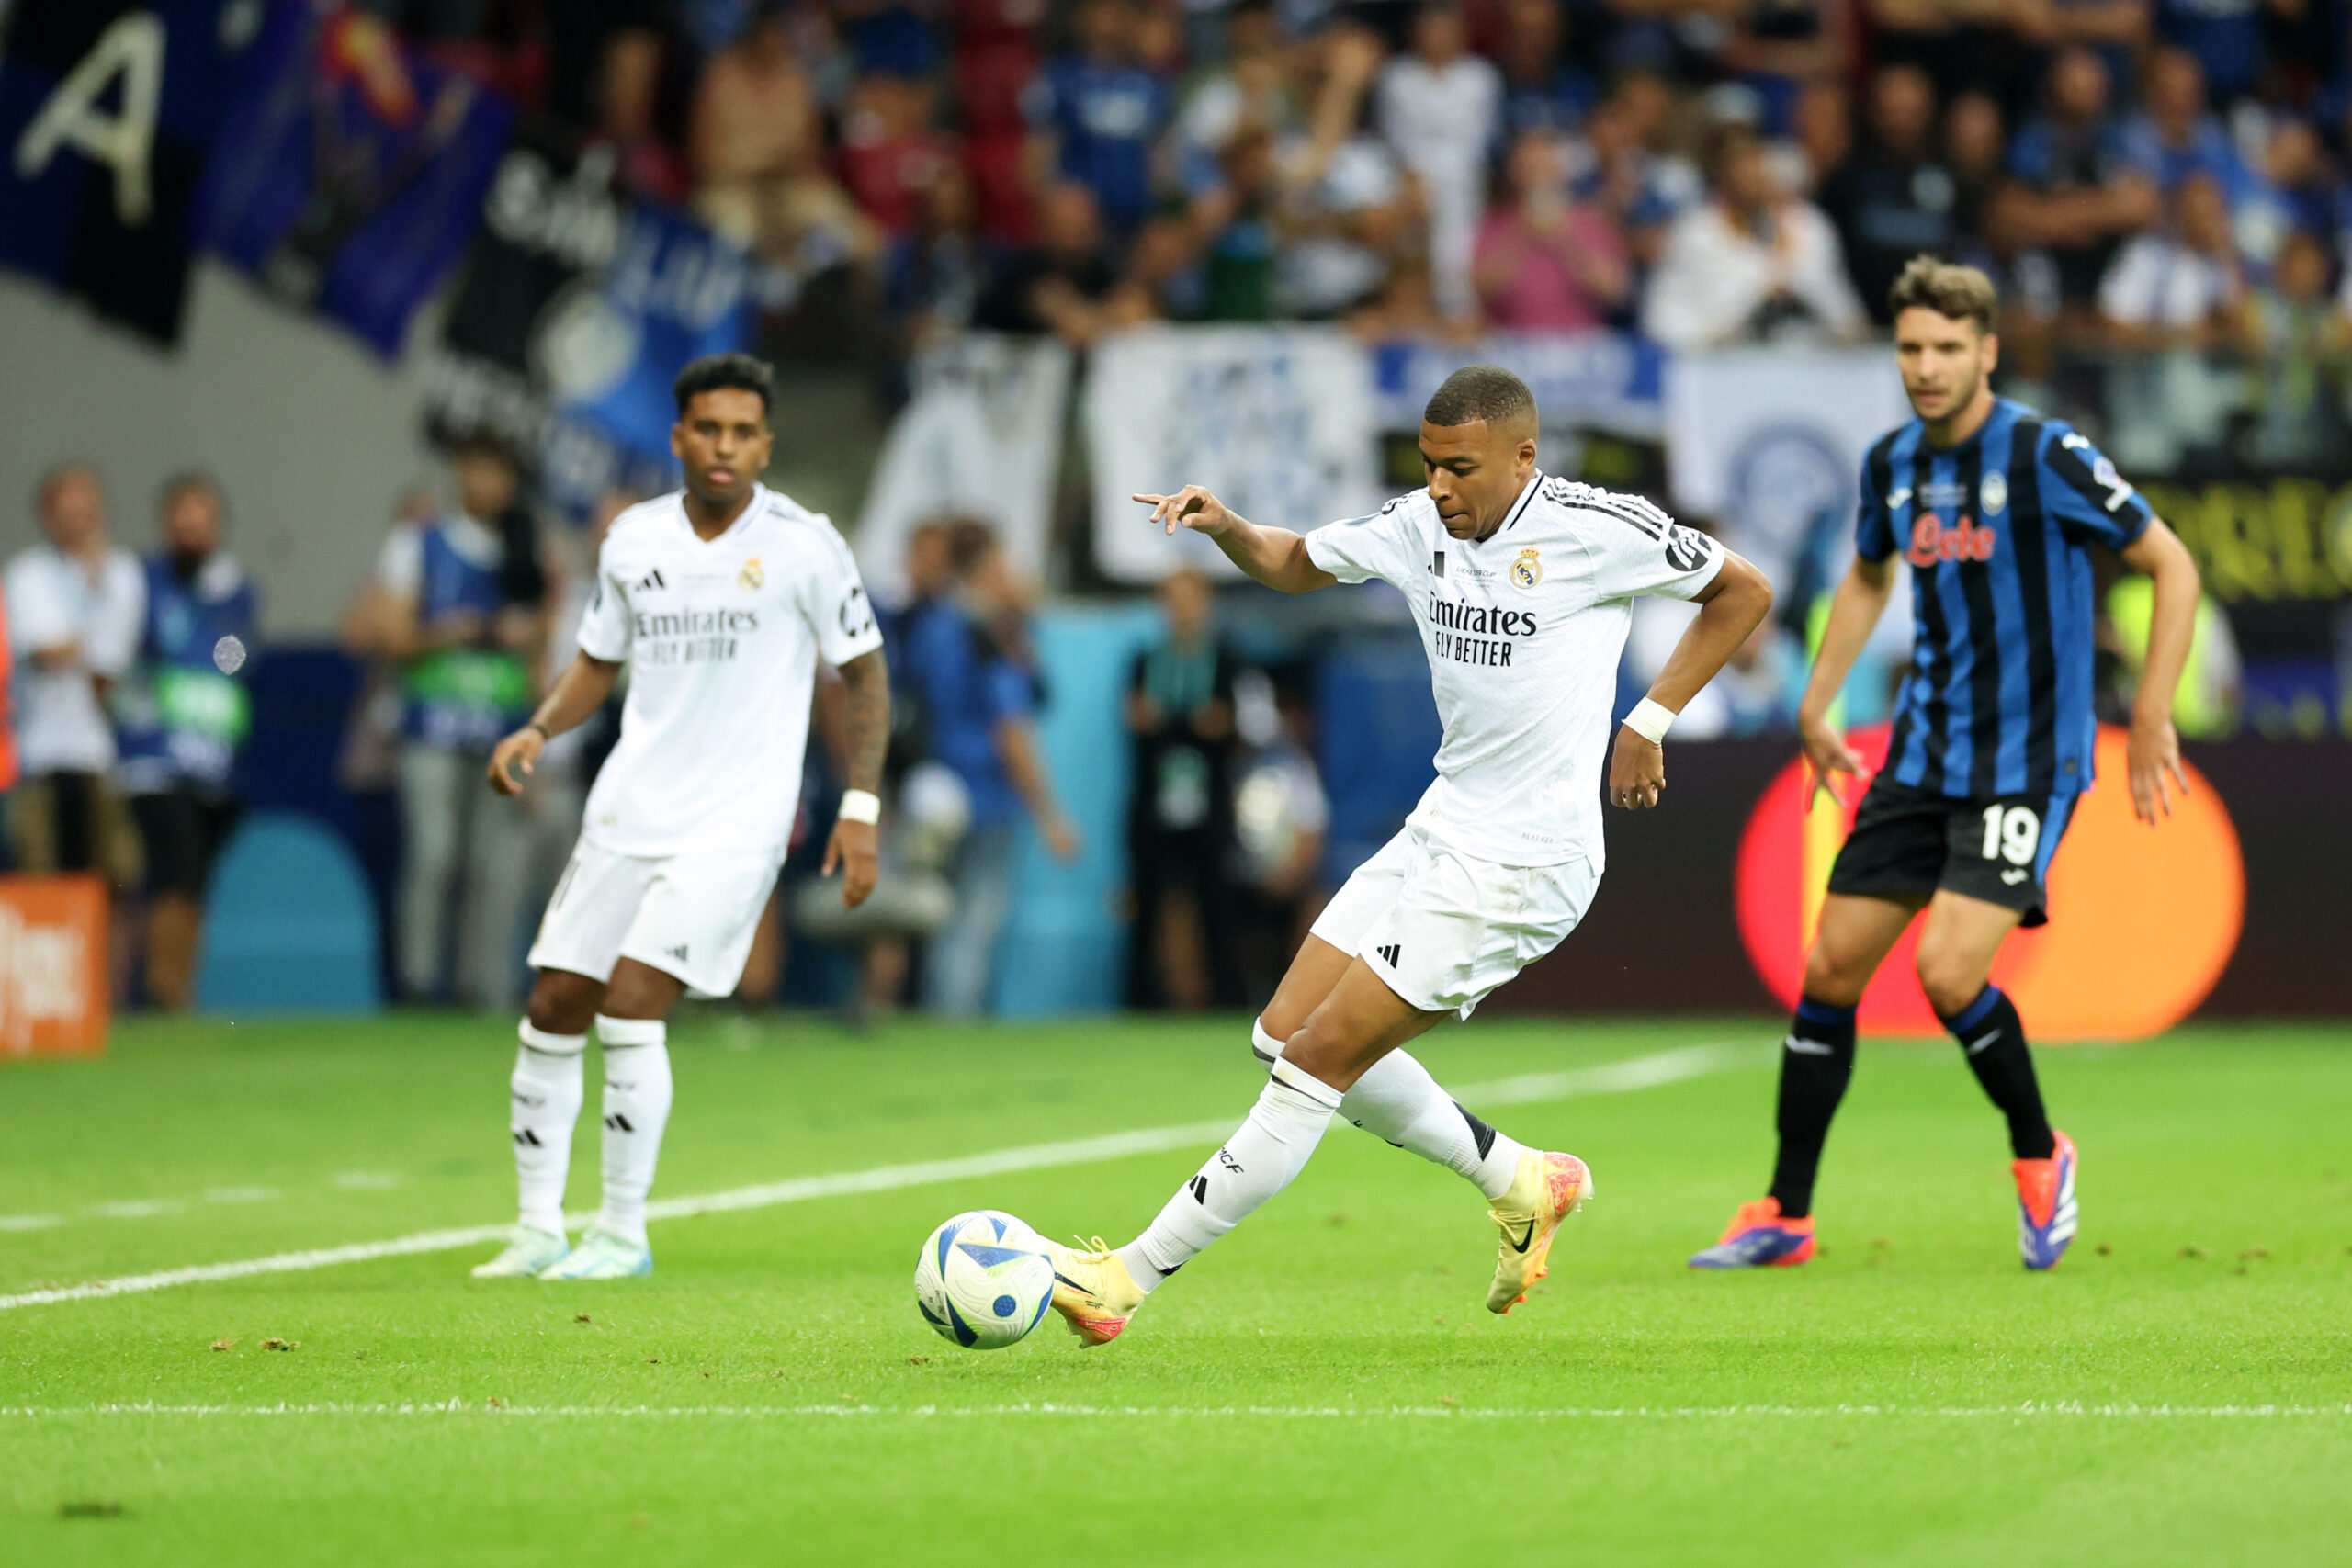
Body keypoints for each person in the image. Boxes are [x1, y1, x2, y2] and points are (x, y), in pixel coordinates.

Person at [1042, 366, 1774, 1345]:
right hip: (1441, 828)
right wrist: (1227, 527)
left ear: (1523, 456)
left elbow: (1742, 589)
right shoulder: (1418, 523)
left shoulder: (1594, 528)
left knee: (1315, 1062)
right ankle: (1520, 1178)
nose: (1438, 486)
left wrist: (1647, 720)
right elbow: (1296, 560)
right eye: (1428, 464)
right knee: (1282, 1033)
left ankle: (1124, 1279)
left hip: (1525, 861)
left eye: (1459, 467)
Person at [1690, 257, 2203, 1274]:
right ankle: (1785, 1211)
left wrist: (2150, 712)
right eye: (1911, 349)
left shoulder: (2047, 453)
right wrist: (1817, 699)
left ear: (1987, 353)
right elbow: (1867, 575)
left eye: (1947, 349)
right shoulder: (1892, 464)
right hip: (1922, 756)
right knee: (1830, 969)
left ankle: (2039, 1154)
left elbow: (2171, 563)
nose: (1926, 367)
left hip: (2025, 764)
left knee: (1947, 971)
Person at [469, 353, 889, 1281]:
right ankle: (538, 1228)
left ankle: (622, 1232)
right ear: (678, 438)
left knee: (630, 1002)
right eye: (708, 429)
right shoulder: (633, 539)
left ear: (766, 445)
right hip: (629, 809)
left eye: (743, 432)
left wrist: (859, 806)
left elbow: (864, 674)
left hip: (736, 820)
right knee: (553, 1006)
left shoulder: (806, 544)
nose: (724, 447)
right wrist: (538, 727)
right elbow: (597, 659)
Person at [369, 434, 545, 1009]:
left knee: (492, 864)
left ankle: (478, 984)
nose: (492, 485)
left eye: (503, 474)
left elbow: (541, 651)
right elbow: (391, 635)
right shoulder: (419, 542)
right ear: (461, 472)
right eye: (481, 470)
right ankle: (419, 982)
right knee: (435, 852)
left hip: (500, 729)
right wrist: (453, 631)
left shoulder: (527, 549)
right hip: (433, 728)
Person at [903, 524, 1080, 1017]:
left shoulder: (932, 626)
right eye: (1003, 566)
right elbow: (1011, 732)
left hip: (932, 793)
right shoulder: (986, 635)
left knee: (936, 918)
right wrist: (1050, 815)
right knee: (973, 924)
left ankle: (935, 1014)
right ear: (982, 572)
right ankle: (955, 1024)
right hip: (984, 797)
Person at [116, 473, 259, 1011]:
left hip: (214, 766)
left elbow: (236, 661)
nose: (191, 533)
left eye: (202, 522)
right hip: (152, 761)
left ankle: (179, 991)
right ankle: (162, 989)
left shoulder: (235, 592)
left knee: (195, 879)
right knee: (171, 873)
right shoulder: (138, 582)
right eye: (182, 522)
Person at [5, 465, 145, 889]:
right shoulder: (26, 574)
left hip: (104, 757)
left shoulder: (124, 573)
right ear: (47, 516)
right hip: (38, 755)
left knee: (115, 878)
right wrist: (94, 627)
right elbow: (47, 652)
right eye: (68, 512)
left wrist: (82, 643)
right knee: (42, 879)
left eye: (88, 510)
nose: (80, 522)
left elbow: (112, 664)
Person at [1125, 568, 1242, 1010]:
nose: (1183, 610)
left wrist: (1174, 722)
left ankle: (1225, 1002)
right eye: (1174, 600)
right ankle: (1139, 1003)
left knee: (1217, 903)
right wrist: (1194, 723)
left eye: (1191, 599)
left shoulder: (1224, 659)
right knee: (1147, 902)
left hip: (1209, 801)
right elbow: (1137, 718)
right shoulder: (1145, 660)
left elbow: (1226, 724)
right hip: (1154, 800)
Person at [1640, 121, 1865, 351]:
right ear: (1722, 177)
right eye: (1739, 167)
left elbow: (1844, 313)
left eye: (1756, 165)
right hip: (1723, 360)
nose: (1750, 176)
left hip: (1804, 357)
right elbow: (1662, 318)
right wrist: (1757, 293)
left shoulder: (1809, 226)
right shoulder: (1695, 233)